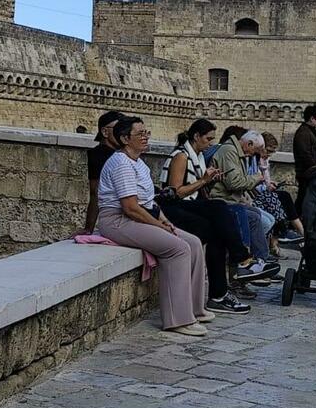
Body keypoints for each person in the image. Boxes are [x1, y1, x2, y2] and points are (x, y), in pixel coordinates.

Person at [95, 117, 212, 337]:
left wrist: (164, 219)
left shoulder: (138, 162)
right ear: (124, 139)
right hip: (117, 221)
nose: (146, 136)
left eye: (146, 132)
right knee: (177, 248)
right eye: (140, 133)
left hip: (140, 216)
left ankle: (195, 308)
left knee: (194, 243)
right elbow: (129, 207)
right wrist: (159, 226)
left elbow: (149, 201)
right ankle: (178, 318)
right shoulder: (121, 163)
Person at [160, 119, 270, 315]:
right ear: (196, 137)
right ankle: (241, 261)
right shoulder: (182, 157)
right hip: (173, 207)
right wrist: (204, 181)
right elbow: (175, 192)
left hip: (189, 205)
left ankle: (220, 294)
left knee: (218, 230)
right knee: (220, 210)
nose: (211, 143)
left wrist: (209, 181)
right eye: (208, 139)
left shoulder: (198, 157)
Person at [209, 127, 280, 294]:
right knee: (251, 218)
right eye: (253, 151)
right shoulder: (229, 152)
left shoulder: (236, 151)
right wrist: (257, 178)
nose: (252, 156)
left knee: (254, 214)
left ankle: (257, 261)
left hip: (231, 200)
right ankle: (246, 264)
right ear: (248, 143)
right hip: (221, 201)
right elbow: (235, 183)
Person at [253, 132, 304, 247]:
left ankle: (285, 237)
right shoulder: (255, 160)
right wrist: (267, 186)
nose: (269, 154)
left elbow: (264, 179)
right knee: (281, 198)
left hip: (263, 191)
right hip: (257, 194)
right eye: (268, 151)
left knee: (283, 196)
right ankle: (293, 233)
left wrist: (270, 183)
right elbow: (255, 182)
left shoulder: (264, 161)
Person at [82, 110, 125, 235]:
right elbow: (95, 192)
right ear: (105, 132)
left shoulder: (118, 153)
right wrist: (88, 228)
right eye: (118, 128)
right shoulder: (99, 154)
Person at [293, 104, 316, 205]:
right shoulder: (304, 133)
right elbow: (305, 154)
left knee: (305, 198)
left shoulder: (308, 131)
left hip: (308, 172)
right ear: (312, 118)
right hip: (306, 173)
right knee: (303, 198)